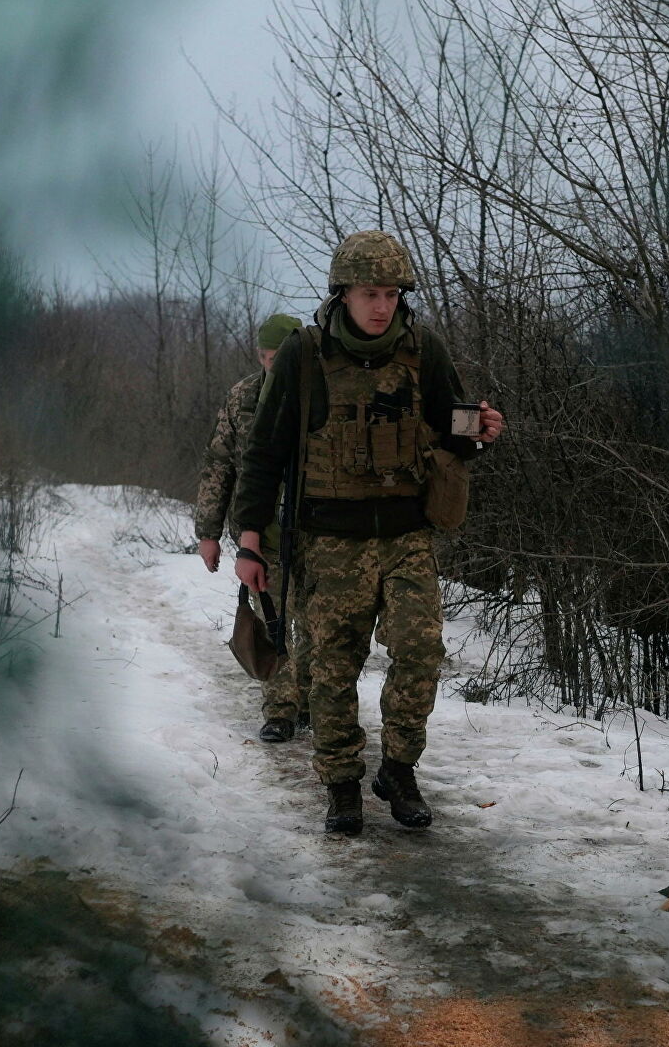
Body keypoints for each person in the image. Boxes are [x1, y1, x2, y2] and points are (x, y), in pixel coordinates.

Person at [233, 231, 504, 835]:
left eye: (390, 293)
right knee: (332, 665)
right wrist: (249, 541)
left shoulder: (421, 348)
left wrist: (480, 428)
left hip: (406, 535)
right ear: (343, 294)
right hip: (329, 541)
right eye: (368, 293)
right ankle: (342, 785)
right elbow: (263, 455)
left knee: (421, 651)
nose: (380, 305)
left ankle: (399, 770)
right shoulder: (304, 356)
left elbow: (448, 423)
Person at [193, 312, 311, 743]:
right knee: (273, 619)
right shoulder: (242, 398)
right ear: (261, 356)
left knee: (314, 621)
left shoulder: (322, 396)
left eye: (287, 357)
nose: (278, 365)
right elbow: (218, 465)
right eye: (270, 357)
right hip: (258, 532)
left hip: (317, 531)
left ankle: (312, 697)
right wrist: (208, 532)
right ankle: (280, 707)